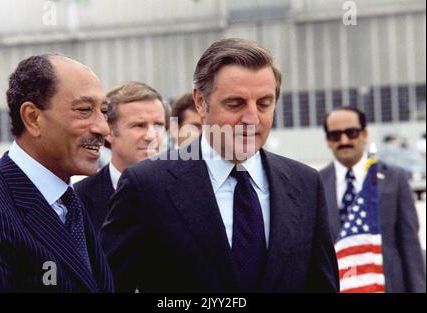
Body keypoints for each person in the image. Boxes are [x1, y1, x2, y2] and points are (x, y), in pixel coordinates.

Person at [100, 38, 339, 292]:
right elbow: (110, 286)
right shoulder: (147, 186)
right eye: (235, 104)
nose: (251, 119)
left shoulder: (305, 184)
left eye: (264, 104)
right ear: (200, 103)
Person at [0, 54, 114, 292]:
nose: (102, 127)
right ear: (33, 118)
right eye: (84, 110)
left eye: (104, 112)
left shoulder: (69, 200)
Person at [320, 106, 425, 293]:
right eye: (335, 135)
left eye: (351, 132)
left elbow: (410, 245)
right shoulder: (316, 183)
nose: (344, 141)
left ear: (364, 134)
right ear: (328, 140)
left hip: (387, 286)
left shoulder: (395, 178)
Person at [74, 81, 166, 232]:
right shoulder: (78, 200)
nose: (151, 136)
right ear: (108, 132)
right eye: (139, 125)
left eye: (158, 125)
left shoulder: (186, 192)